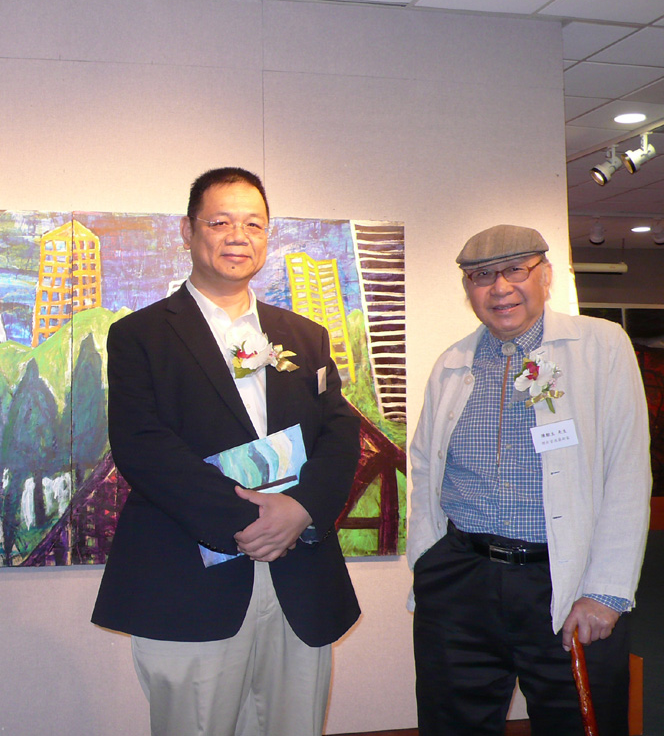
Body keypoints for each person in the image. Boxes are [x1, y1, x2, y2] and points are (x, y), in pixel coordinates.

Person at [91, 167, 361, 736]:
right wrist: (249, 521)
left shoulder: (305, 335)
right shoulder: (140, 335)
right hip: (190, 575)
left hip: (299, 571)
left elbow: (339, 434)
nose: (239, 236)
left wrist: (300, 510)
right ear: (188, 231)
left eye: (253, 224)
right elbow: (143, 446)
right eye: (220, 222)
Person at [407, 224, 651, 735]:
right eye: (481, 276)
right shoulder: (453, 362)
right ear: (468, 288)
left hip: (564, 578)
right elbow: (426, 465)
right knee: (451, 722)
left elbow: (627, 472)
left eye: (515, 270)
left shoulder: (601, 346)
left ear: (545, 276)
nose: (500, 288)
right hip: (462, 579)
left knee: (579, 721)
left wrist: (605, 592)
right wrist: (429, 567)